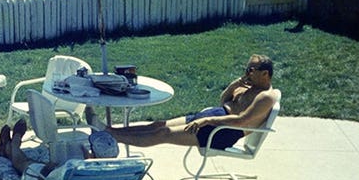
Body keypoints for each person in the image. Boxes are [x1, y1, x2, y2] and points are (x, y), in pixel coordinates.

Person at [104, 55, 279, 150]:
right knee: (159, 125)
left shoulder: (265, 97)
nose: (247, 73)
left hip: (223, 131)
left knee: (163, 133)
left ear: (265, 74)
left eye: (251, 70)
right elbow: (224, 101)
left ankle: (110, 137)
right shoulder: (250, 87)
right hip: (215, 118)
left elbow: (241, 120)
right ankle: (110, 131)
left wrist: (206, 120)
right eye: (247, 69)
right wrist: (235, 85)